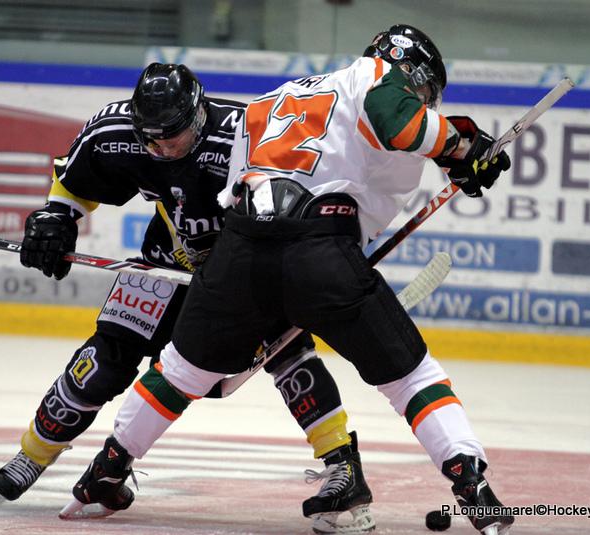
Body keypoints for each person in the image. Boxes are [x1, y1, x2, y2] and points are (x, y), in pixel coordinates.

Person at [64, 25, 514, 534]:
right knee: (411, 377)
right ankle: (471, 483)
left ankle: (105, 473)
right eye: (426, 90)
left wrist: (458, 154)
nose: (425, 101)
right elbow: (400, 124)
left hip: (239, 252)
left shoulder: (273, 100)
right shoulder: (376, 75)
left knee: (179, 372)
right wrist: (460, 146)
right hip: (321, 248)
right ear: (408, 68)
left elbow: (242, 190)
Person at [0, 62, 376, 534]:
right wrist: (57, 218)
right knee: (104, 357)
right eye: (151, 139)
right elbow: (73, 183)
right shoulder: (116, 128)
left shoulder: (245, 135)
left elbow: (311, 188)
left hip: (244, 268)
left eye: (172, 136)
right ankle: (31, 456)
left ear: (197, 116)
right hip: (165, 260)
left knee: (290, 353)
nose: (162, 148)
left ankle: (342, 462)